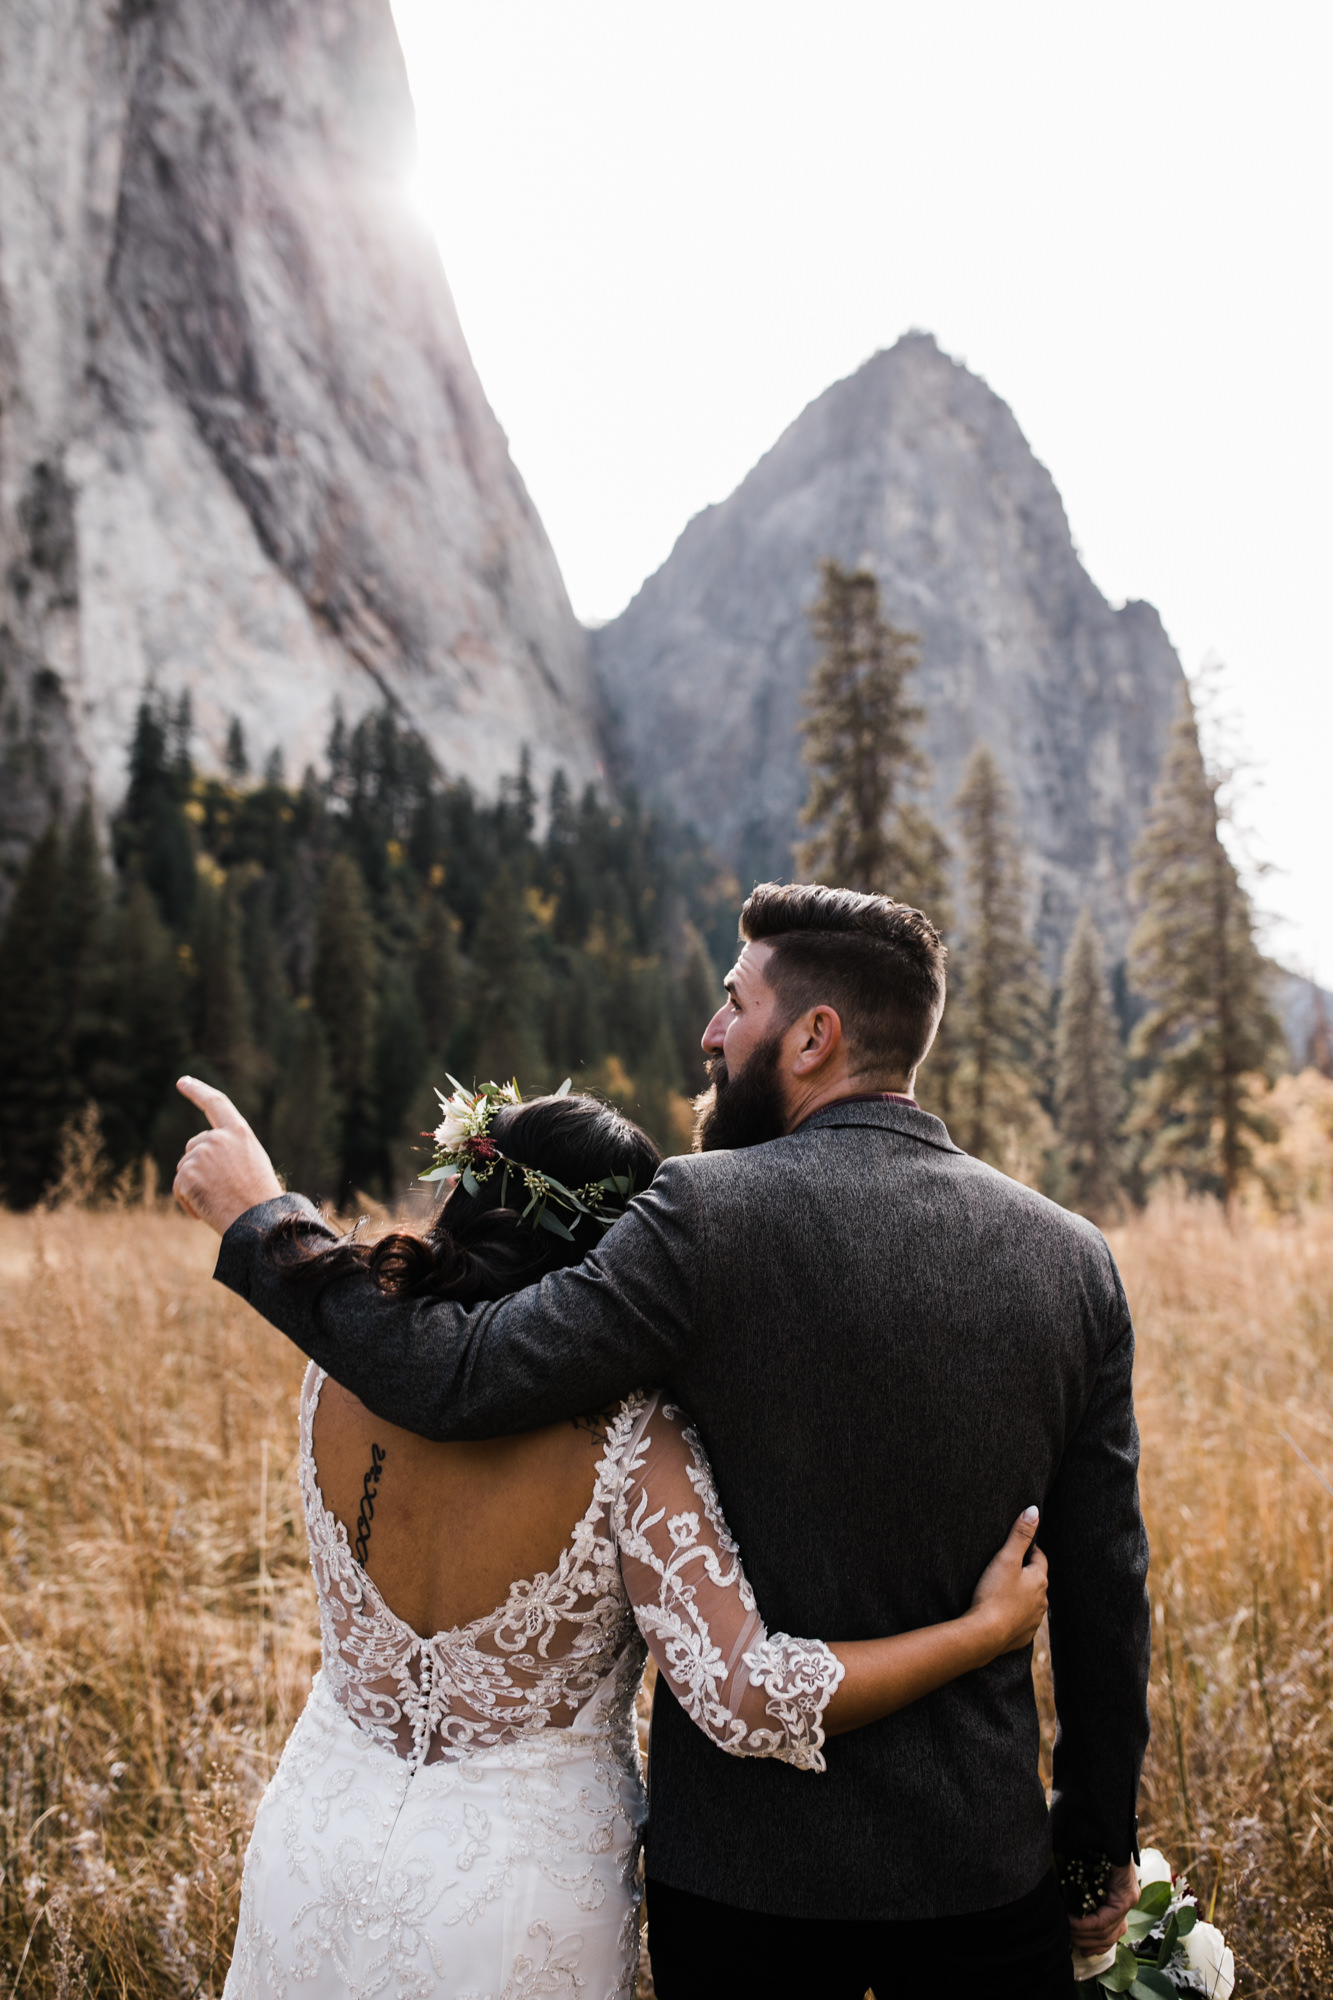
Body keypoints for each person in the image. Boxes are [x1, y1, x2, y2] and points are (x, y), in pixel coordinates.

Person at [176, 882, 1151, 2000]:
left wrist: (267, 1223)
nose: (709, 1031)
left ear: (812, 1035)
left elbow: (459, 1371)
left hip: (742, 1891)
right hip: (976, 1870)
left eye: (733, 1003)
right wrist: (1090, 1851)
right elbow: (1104, 1584)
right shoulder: (1075, 1259)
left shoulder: (701, 1215)